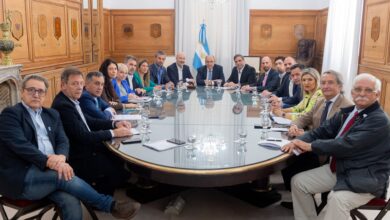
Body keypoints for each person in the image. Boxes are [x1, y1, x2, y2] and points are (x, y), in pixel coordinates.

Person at [0, 74, 140, 220]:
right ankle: (110, 206)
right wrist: (50, 161)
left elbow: (63, 140)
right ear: (22, 92)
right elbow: (21, 145)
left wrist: (61, 157)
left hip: (53, 170)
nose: (36, 94)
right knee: (62, 175)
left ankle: (109, 204)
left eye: (40, 91)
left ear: (45, 94)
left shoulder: (52, 114)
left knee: (70, 200)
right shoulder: (10, 114)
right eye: (31, 90)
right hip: (22, 175)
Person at [282, 73, 390, 220]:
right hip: (341, 168)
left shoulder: (379, 120)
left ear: (376, 94)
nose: (362, 93)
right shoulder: (350, 112)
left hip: (365, 177)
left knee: (337, 199)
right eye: (358, 89)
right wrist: (297, 141)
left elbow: (348, 145)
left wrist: (311, 146)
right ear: (352, 92)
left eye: (368, 90)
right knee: (299, 182)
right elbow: (321, 131)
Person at [52, 67, 133, 195]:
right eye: (74, 84)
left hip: (85, 145)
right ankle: (98, 195)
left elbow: (90, 121)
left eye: (80, 83)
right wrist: (114, 133)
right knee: (114, 164)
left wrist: (115, 123)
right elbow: (83, 136)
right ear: (63, 85)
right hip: (78, 154)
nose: (79, 87)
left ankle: (116, 181)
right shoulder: (63, 105)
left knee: (118, 156)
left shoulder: (72, 100)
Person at [280, 70, 353, 206]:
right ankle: (301, 200)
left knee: (293, 164)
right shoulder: (320, 101)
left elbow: (338, 137)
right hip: (313, 145)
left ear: (340, 86)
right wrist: (294, 126)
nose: (325, 86)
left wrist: (305, 138)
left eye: (330, 83)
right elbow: (304, 118)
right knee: (287, 160)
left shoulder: (346, 107)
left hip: (328, 153)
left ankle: (312, 201)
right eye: (323, 83)